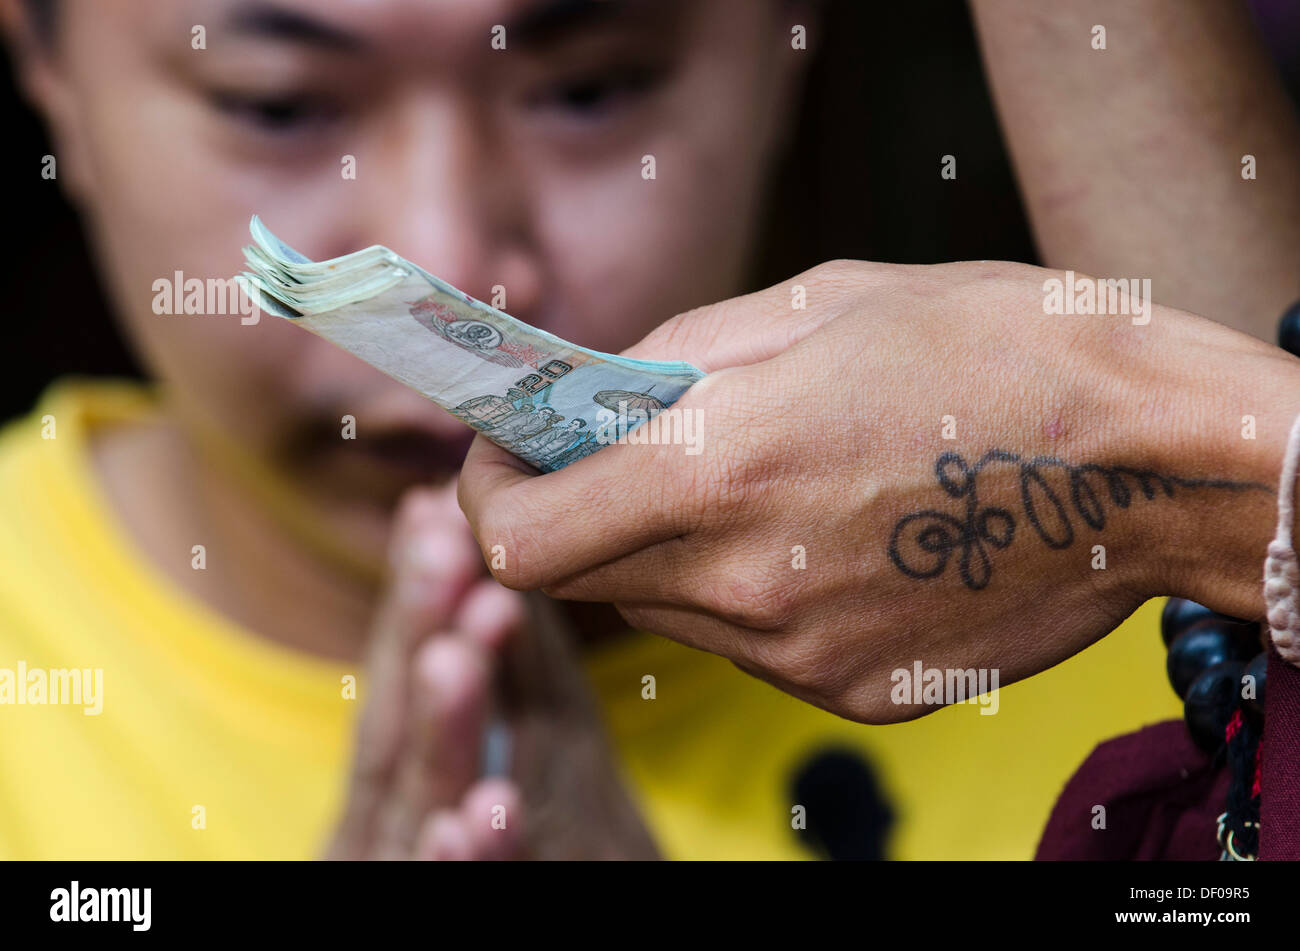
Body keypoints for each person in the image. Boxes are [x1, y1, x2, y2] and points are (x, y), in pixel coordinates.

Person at [1, 0, 1296, 860]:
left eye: (593, 91)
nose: (454, 262)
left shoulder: (1157, 621)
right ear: (40, 62)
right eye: (280, 107)